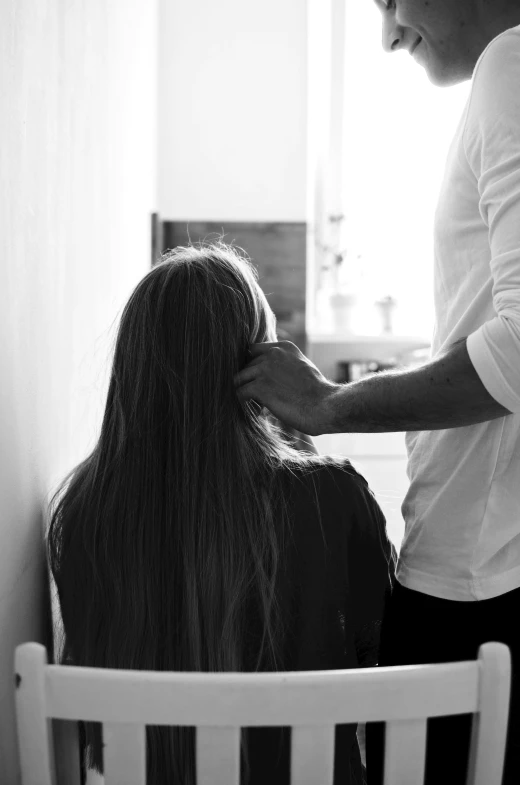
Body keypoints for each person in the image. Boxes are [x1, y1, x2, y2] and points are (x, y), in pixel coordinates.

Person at [234, 2, 520, 784]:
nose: (388, 32)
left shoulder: (511, 66)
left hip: (473, 587)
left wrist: (330, 407)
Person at [46, 242, 396, 785]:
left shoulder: (87, 511)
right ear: (257, 369)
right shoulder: (330, 497)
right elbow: (382, 657)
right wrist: (298, 433)